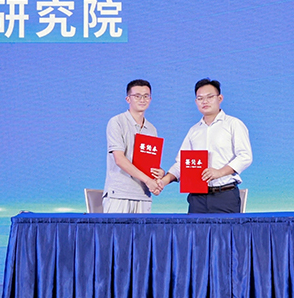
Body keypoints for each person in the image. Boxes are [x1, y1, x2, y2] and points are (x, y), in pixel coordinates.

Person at [159, 78, 252, 213]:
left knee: (226, 228)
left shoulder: (233, 124)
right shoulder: (194, 131)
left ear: (220, 98)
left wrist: (219, 172)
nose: (205, 101)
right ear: (196, 102)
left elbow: (245, 156)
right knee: (194, 228)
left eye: (209, 97)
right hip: (197, 198)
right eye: (200, 98)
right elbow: (182, 163)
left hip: (224, 194)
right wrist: (164, 181)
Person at [103, 79, 165, 213]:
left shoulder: (152, 129)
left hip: (143, 195)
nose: (142, 100)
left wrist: (159, 173)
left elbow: (148, 162)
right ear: (128, 99)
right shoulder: (117, 122)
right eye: (137, 96)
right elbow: (119, 159)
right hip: (120, 194)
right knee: (116, 228)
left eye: (146, 96)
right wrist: (148, 180)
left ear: (150, 99)